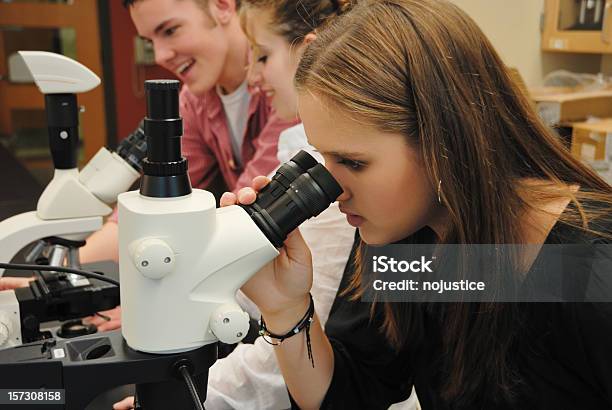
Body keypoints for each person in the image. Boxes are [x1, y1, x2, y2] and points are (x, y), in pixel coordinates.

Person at [223, 1, 612, 409]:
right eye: (324, 158)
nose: (334, 190)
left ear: (444, 140)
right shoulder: (416, 242)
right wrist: (286, 307)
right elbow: (351, 392)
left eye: (354, 162)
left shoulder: (588, 267)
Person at [113, 1, 358, 409]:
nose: (253, 74)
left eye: (261, 56)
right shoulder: (200, 101)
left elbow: (310, 376)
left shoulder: (455, 266)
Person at [78, 0, 296, 264]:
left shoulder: (286, 82)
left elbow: (241, 213)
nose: (159, 56)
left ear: (222, 6)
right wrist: (62, 273)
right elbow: (153, 208)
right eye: (150, 42)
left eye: (170, 31)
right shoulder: (195, 99)